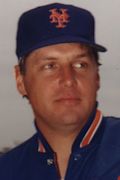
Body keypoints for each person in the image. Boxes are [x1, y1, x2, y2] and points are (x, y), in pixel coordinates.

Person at [0, 2, 120, 180]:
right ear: (20, 80)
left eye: (81, 65)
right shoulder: (7, 171)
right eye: (50, 66)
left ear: (97, 76)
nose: (68, 80)